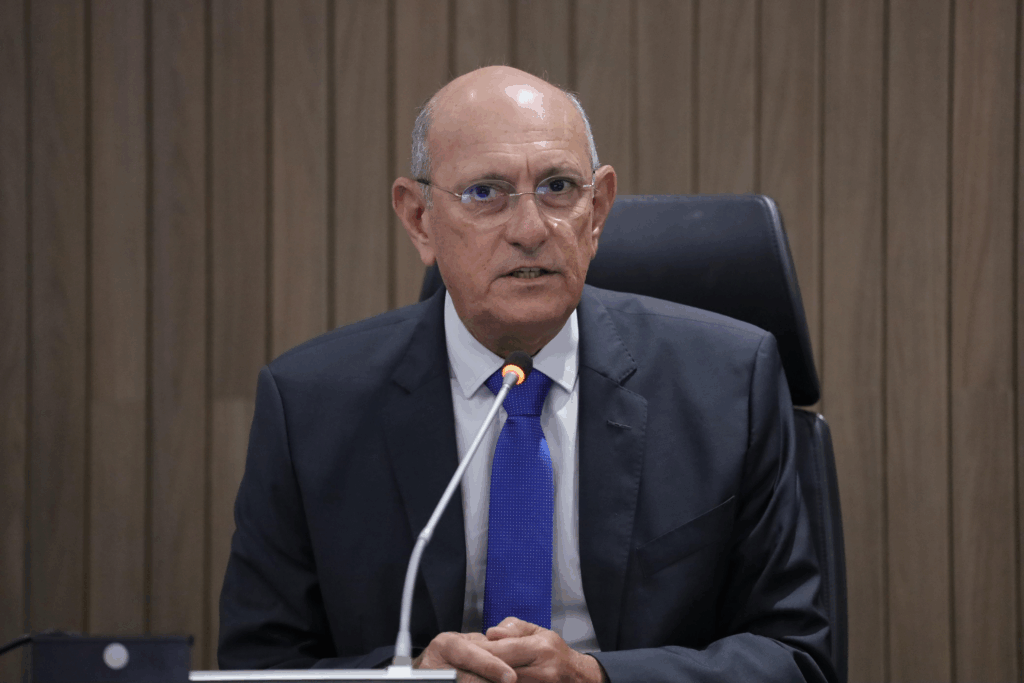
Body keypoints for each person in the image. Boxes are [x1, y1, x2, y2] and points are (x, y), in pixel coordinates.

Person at [218, 66, 835, 683]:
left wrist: (595, 677)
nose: (530, 229)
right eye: (484, 193)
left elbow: (796, 657)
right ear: (419, 218)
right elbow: (259, 666)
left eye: (558, 187)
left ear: (598, 210)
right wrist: (412, 678)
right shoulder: (310, 407)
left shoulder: (728, 384)